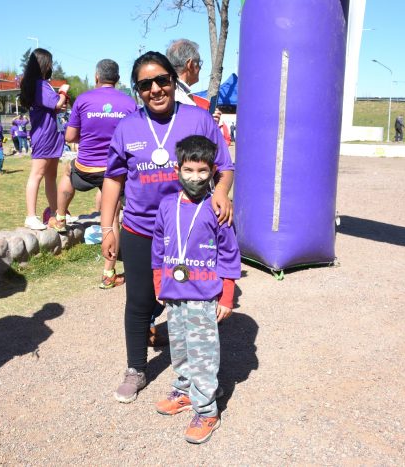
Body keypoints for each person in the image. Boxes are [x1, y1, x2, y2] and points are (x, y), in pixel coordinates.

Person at [100, 51, 234, 404]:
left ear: (173, 81)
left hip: (190, 232)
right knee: (140, 300)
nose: (156, 89)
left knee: (187, 299)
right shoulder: (127, 127)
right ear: (137, 90)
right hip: (142, 229)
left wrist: (220, 191)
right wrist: (108, 227)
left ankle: (197, 373)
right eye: (146, 84)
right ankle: (135, 369)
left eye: (162, 80)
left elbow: (224, 165)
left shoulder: (198, 119)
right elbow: (113, 180)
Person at [151, 135, 240, 444]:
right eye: (188, 170)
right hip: (174, 294)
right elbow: (157, 248)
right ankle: (186, 390)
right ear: (178, 168)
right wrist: (158, 281)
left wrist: (227, 296)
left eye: (203, 171)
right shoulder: (166, 206)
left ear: (212, 171)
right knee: (180, 348)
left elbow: (229, 255)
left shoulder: (218, 208)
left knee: (203, 355)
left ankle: (207, 411)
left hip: (204, 296)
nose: (195, 178)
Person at [58, 59, 137, 288]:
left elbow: (70, 137)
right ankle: (108, 273)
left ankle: (60, 217)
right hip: (114, 171)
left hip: (85, 168)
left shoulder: (83, 100)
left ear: (96, 77)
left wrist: (90, 136)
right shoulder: (129, 102)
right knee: (111, 217)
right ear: (118, 79)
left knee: (66, 172)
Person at [19, 48, 70, 230]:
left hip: (53, 136)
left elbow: (54, 108)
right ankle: (30, 216)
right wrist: (63, 92)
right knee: (37, 174)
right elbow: (56, 103)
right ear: (44, 64)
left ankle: (56, 212)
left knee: (50, 176)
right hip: (44, 137)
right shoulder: (40, 85)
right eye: (50, 62)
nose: (51, 66)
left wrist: (60, 104)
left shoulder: (42, 85)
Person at [166, 39, 222, 123]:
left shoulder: (167, 92)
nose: (200, 68)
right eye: (199, 63)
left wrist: (210, 123)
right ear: (190, 64)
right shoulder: (179, 98)